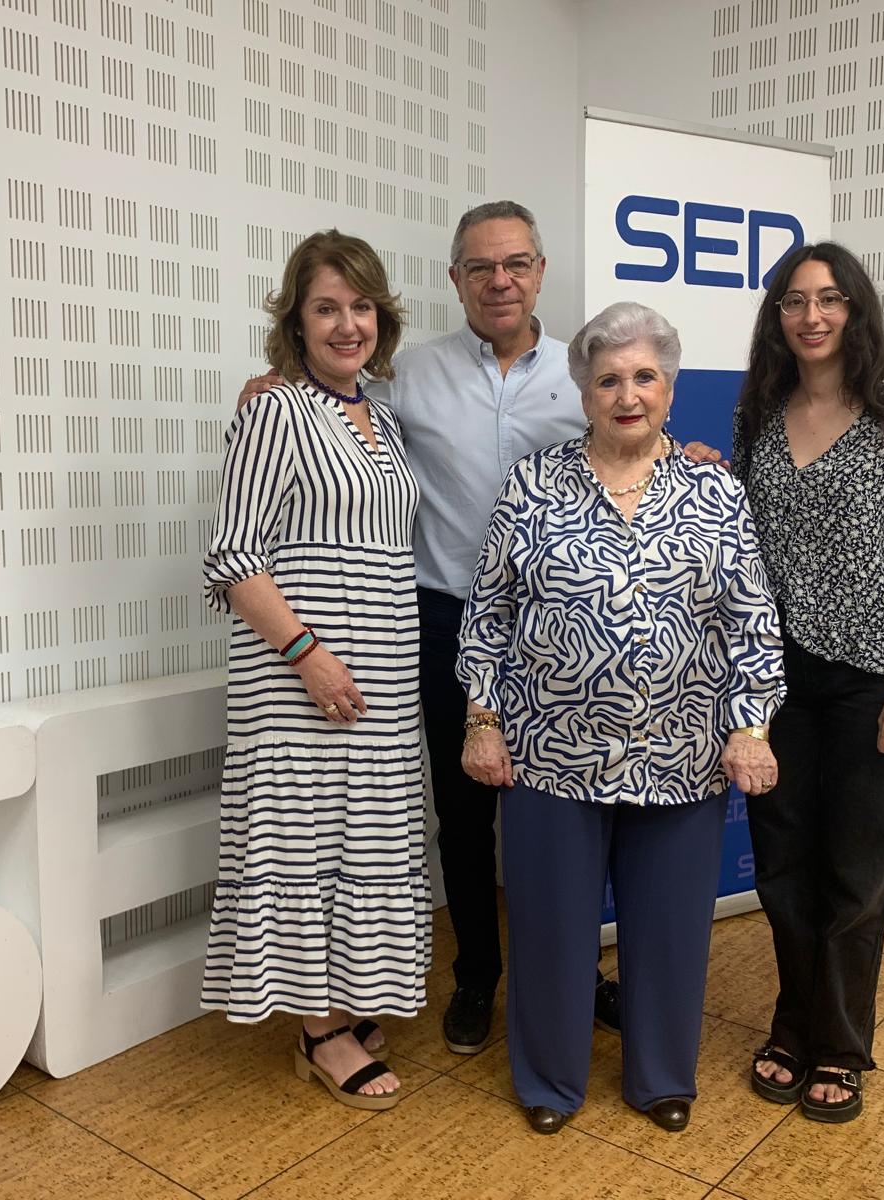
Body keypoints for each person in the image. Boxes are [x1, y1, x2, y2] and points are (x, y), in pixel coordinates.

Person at [239, 202, 616, 1057]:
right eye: (480, 267)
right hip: (442, 618)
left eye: (516, 263)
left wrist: (691, 454)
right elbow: (321, 403)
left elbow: (635, 439)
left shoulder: (582, 372)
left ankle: (577, 975)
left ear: (541, 269)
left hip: (563, 628)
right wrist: (272, 382)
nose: (500, 281)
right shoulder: (404, 378)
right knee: (462, 809)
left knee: (566, 806)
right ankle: (478, 973)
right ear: (455, 280)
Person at [456, 301, 785, 1135]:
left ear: (669, 389)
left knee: (670, 933)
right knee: (551, 931)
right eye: (608, 378)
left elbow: (753, 621)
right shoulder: (534, 484)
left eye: (644, 376)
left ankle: (661, 1076)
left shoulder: (716, 490)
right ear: (584, 392)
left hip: (682, 756)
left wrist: (751, 728)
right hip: (549, 755)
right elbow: (487, 613)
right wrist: (481, 719)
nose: (627, 393)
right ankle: (548, 1081)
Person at [200, 230, 431, 1111]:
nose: (347, 324)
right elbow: (232, 555)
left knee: (360, 841)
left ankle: (340, 999)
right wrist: (308, 656)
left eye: (361, 306)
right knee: (303, 842)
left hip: (381, 678)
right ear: (295, 321)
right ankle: (319, 1031)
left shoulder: (383, 414)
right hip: (302, 677)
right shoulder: (275, 410)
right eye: (327, 308)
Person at [726, 241, 884, 1123]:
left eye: (827, 299)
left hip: (871, 686)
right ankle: (792, 1023)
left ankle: (841, 1044)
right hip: (777, 684)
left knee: (857, 876)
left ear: (855, 309)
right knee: (784, 868)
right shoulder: (759, 415)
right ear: (776, 318)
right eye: (792, 301)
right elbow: (735, 540)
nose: (810, 316)